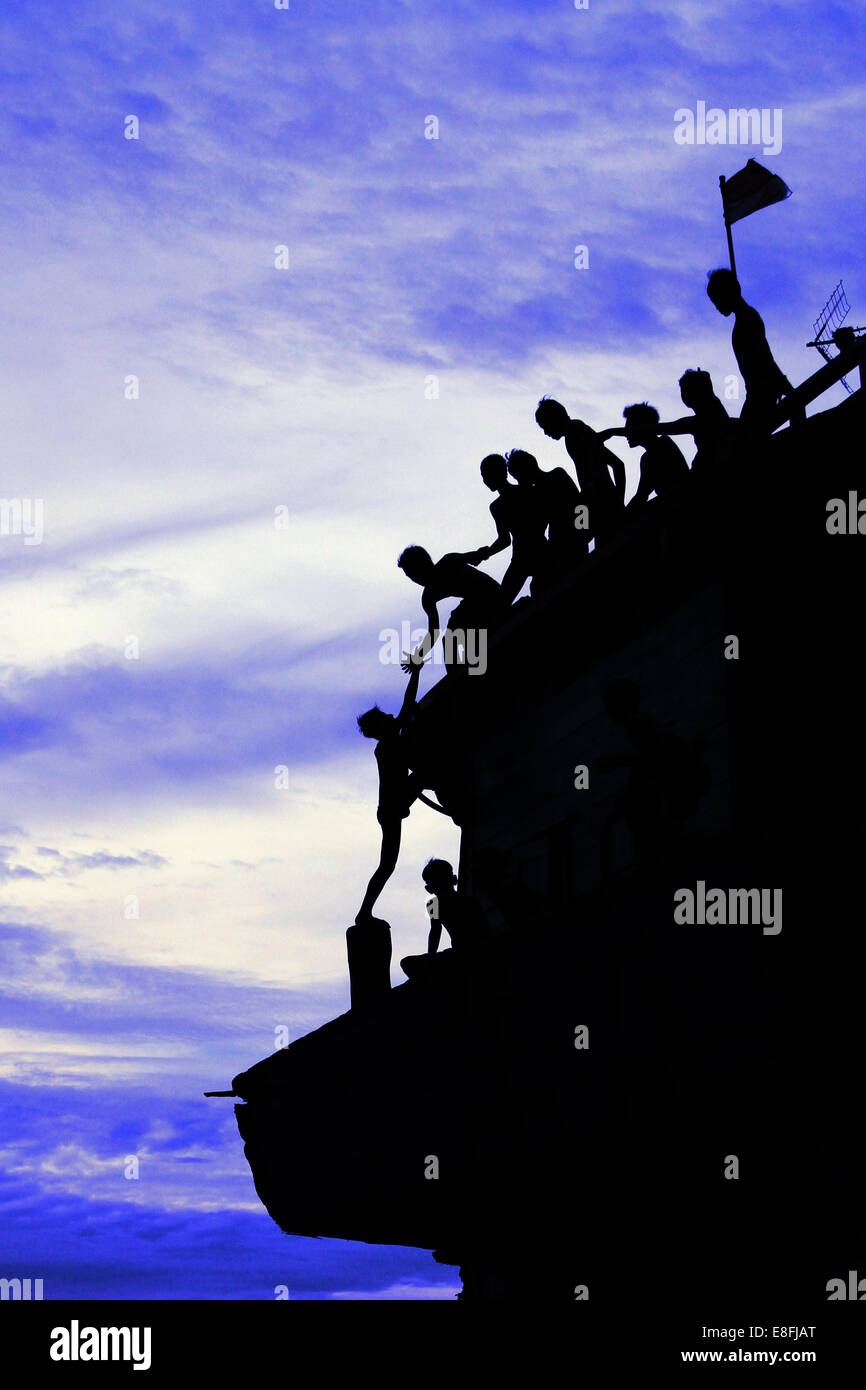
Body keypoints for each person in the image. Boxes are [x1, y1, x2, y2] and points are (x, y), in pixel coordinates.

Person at [355, 657, 427, 925]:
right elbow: (408, 704)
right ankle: (364, 913)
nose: (389, 715)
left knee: (387, 866)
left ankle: (364, 912)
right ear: (380, 727)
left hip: (389, 808)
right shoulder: (387, 743)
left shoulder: (389, 740)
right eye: (384, 716)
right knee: (425, 772)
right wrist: (416, 673)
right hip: (391, 804)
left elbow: (407, 706)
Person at [705, 268, 796, 432]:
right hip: (758, 392)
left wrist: (786, 387)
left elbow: (764, 358)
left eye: (717, 298)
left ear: (730, 292)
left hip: (760, 394)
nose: (717, 306)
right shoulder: (746, 317)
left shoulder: (747, 319)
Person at [398, 544, 507, 670]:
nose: (414, 579)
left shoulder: (448, 562)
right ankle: (459, 675)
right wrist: (419, 656)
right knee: (451, 634)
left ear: (424, 565)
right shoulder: (428, 597)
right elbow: (434, 632)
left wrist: (482, 553)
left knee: (456, 624)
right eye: (410, 576)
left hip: (492, 595)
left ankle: (473, 662)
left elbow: (475, 556)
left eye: (414, 573)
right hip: (475, 603)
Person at [535, 398, 626, 545]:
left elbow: (615, 466)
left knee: (585, 543)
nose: (546, 432)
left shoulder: (576, 432)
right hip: (598, 502)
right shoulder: (575, 431)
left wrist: (618, 505)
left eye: (545, 426)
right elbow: (617, 464)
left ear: (554, 419)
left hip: (599, 503)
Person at [472, 453, 549, 602]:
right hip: (522, 557)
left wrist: (485, 554)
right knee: (502, 603)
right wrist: (485, 553)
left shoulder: (525, 492)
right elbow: (505, 539)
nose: (485, 480)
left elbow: (505, 539)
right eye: (483, 476)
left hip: (534, 553)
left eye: (486, 475)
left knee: (539, 591)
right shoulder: (497, 506)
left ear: (502, 472)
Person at [505, 448, 587, 583]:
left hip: (570, 543)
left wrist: (583, 531)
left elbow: (580, 505)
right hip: (557, 545)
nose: (519, 481)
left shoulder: (556, 476)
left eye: (518, 476)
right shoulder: (535, 492)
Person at [400, 859, 488, 979]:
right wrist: (431, 957)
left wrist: (431, 957)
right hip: (460, 953)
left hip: (472, 953)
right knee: (407, 963)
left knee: (409, 963)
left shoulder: (463, 900)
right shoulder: (435, 904)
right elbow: (435, 930)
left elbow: (435, 931)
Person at [605, 404, 690, 512]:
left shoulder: (661, 448)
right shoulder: (651, 454)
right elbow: (642, 495)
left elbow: (641, 496)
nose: (626, 433)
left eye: (629, 427)